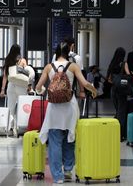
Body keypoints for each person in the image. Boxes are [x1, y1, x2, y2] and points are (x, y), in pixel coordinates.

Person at [36, 42, 97, 184]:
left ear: (56, 53)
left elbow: (38, 87)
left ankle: (58, 177)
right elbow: (85, 83)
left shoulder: (48, 67)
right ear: (69, 52)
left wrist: (42, 91)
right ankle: (68, 170)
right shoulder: (73, 66)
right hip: (70, 107)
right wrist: (93, 91)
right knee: (70, 138)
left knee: (55, 142)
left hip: (54, 109)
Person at [0, 44, 34, 136]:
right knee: (22, 107)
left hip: (11, 86)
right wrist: (29, 87)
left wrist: (2, 89)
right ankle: (21, 126)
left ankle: (10, 128)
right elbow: (28, 76)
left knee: (10, 108)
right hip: (21, 86)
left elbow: (5, 76)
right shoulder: (22, 61)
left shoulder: (8, 60)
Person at [106, 47, 131, 142]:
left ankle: (114, 132)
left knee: (117, 111)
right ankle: (121, 135)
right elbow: (128, 76)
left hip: (113, 90)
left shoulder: (112, 64)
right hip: (121, 91)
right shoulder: (124, 64)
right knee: (121, 113)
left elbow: (108, 79)